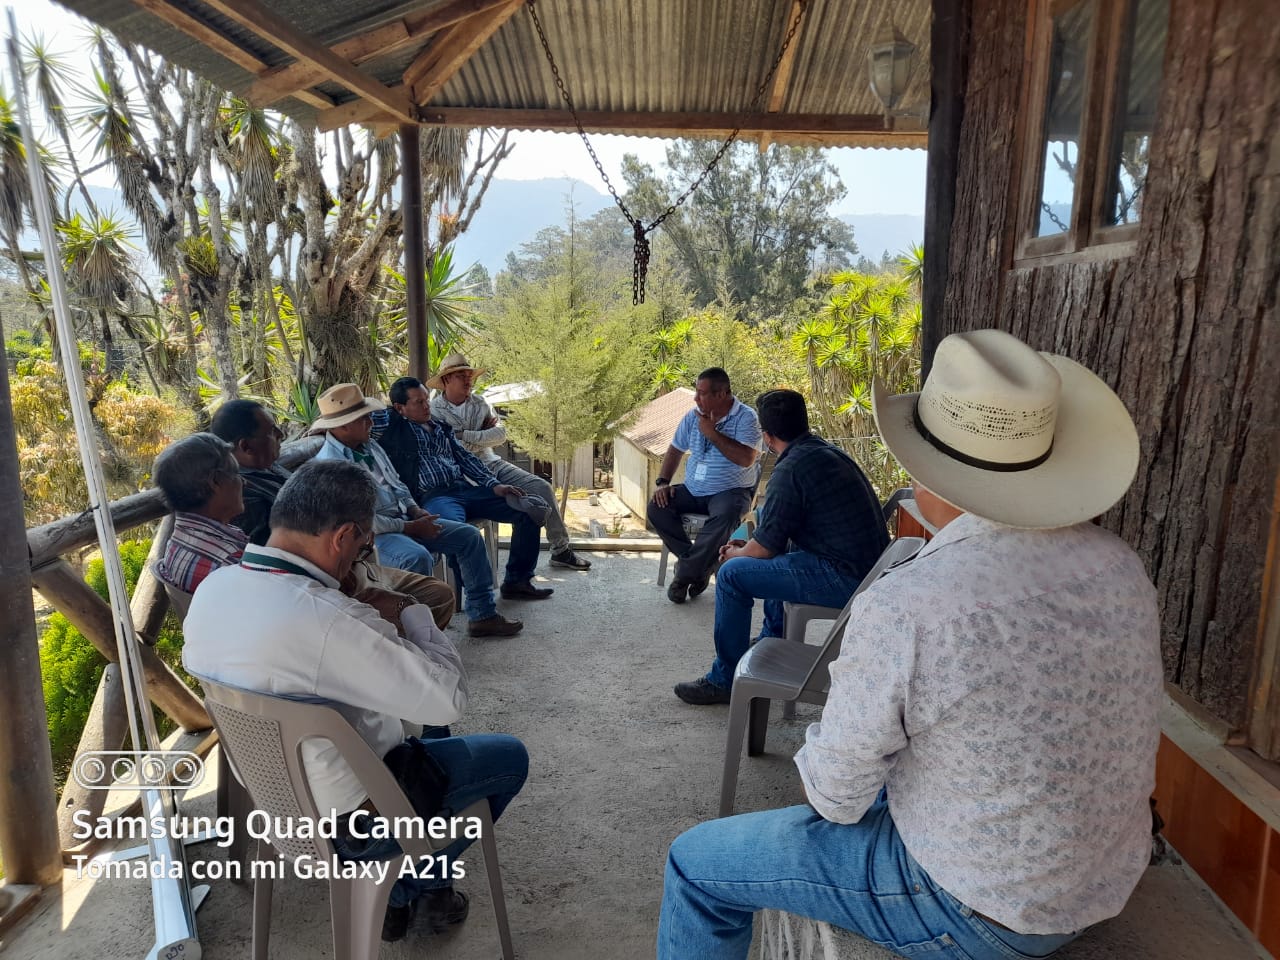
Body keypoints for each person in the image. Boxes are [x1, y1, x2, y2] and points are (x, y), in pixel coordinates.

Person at [657, 329, 1161, 960]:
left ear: (926, 472)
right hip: (1103, 881)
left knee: (695, 863)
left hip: (977, 903)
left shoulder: (909, 605)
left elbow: (834, 798)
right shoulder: (1120, 567)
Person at [182, 460, 529, 942]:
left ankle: (406, 889)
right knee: (508, 757)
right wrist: (411, 612)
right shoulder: (328, 618)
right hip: (351, 825)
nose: (362, 556)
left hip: (274, 806)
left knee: (428, 731)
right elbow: (447, 699)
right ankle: (404, 888)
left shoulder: (213, 590)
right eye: (364, 544)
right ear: (344, 536)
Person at [673, 390, 889, 706]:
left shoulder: (789, 471)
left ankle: (723, 679)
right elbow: (773, 540)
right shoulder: (823, 452)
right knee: (774, 556)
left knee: (732, 574)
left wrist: (737, 553)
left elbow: (762, 551)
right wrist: (751, 547)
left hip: (847, 578)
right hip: (865, 569)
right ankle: (770, 641)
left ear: (767, 436)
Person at [209, 398, 456, 631]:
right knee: (415, 606)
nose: (281, 435)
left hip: (353, 561)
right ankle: (393, 661)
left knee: (439, 595)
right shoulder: (243, 499)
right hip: (324, 583)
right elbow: (282, 571)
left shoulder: (271, 468)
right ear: (245, 446)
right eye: (272, 432)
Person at [309, 384, 523, 638]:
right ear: (344, 425)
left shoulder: (370, 447)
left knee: (468, 537)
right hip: (374, 536)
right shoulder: (330, 465)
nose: (371, 422)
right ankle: (418, 635)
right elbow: (362, 523)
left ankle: (482, 615)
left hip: (405, 519)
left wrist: (415, 510)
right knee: (416, 557)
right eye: (365, 417)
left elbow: (397, 483)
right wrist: (409, 527)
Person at [374, 376, 554, 602]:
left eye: (426, 399)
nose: (426, 405)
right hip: (435, 496)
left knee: (528, 509)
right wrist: (324, 431)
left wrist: (495, 485)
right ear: (400, 407)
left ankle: (518, 580)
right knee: (460, 535)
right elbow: (356, 419)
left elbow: (466, 458)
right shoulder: (393, 423)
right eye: (418, 402)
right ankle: (476, 603)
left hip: (465, 488)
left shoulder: (441, 427)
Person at [427, 352, 593, 572]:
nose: (469, 380)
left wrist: (463, 434)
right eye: (461, 376)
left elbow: (500, 435)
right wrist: (479, 436)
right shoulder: (434, 411)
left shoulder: (480, 403)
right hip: (460, 473)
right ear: (446, 380)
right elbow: (450, 449)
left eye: (470, 375)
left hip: (491, 462)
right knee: (516, 506)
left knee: (541, 487)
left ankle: (560, 550)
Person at [648, 367, 762, 604]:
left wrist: (711, 433)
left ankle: (683, 576)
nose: (696, 398)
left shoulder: (747, 418)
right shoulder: (692, 416)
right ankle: (698, 569)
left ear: (721, 394)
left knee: (725, 516)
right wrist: (662, 483)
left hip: (730, 491)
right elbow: (675, 449)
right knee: (657, 507)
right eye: (696, 392)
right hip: (693, 488)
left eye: (701, 393)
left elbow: (746, 458)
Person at [152, 432, 248, 593]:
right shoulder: (232, 561)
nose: (245, 482)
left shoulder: (176, 545)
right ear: (215, 481)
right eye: (237, 474)